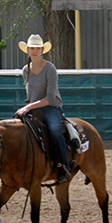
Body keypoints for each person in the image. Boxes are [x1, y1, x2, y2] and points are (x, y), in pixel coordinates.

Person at [16, 34, 71, 182]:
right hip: (33, 108)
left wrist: (28, 107)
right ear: (27, 50)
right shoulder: (25, 70)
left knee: (54, 129)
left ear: (42, 51)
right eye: (32, 48)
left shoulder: (50, 68)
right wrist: (28, 107)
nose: (35, 51)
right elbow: (31, 94)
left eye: (38, 48)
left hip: (51, 107)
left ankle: (63, 166)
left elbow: (50, 98)